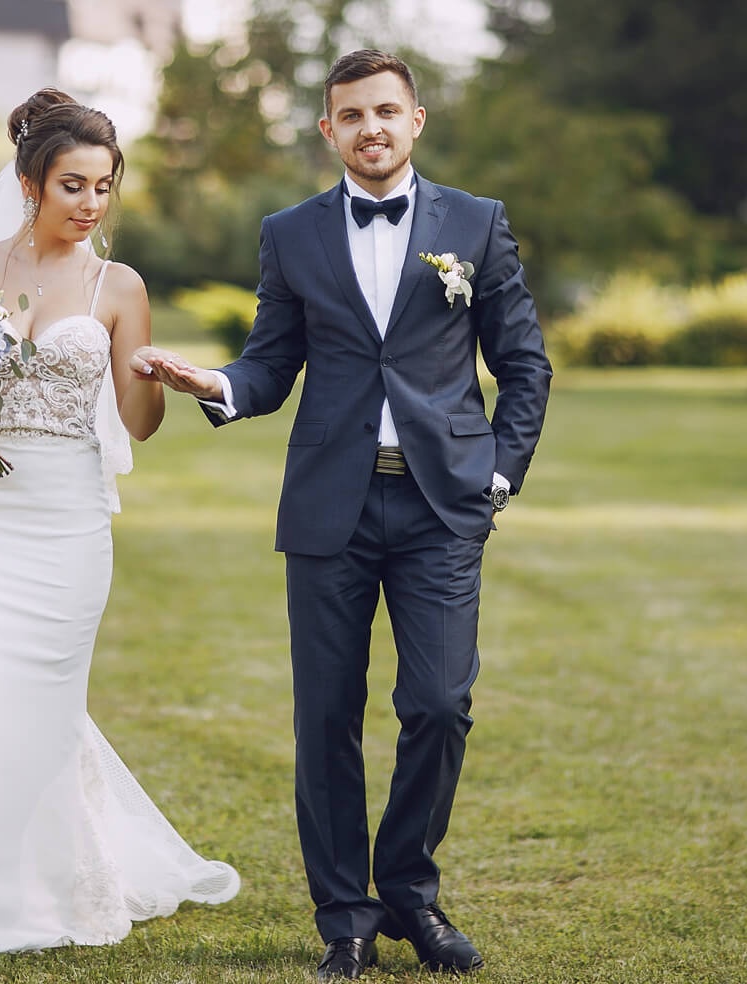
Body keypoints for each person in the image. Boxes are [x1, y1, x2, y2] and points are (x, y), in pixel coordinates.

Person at [137, 50, 551, 979]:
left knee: (439, 707)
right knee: (325, 717)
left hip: (442, 505)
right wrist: (215, 384)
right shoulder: (290, 235)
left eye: (386, 112)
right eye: (352, 115)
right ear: (328, 131)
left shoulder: (475, 226)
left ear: (416, 121)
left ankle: (410, 891)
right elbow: (269, 365)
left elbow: (524, 366)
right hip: (331, 507)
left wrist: (499, 476)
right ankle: (347, 919)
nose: (371, 128)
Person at [0, 88, 239, 971]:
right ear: (29, 181)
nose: (89, 204)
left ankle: (39, 882)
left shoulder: (120, 287)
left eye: (105, 187)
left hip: (67, 523)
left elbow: (140, 423)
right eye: (73, 184)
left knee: (38, 705)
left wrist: (154, 377)